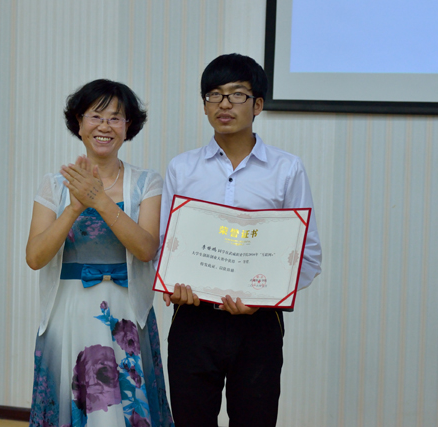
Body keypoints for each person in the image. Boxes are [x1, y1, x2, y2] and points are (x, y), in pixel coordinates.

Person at [159, 54, 322, 426]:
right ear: (204, 105)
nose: (224, 104)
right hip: (193, 319)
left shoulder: (286, 169)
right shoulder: (182, 168)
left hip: (258, 323)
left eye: (236, 94)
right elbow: (166, 244)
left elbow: (308, 254)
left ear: (258, 105)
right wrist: (172, 283)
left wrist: (264, 297)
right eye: (214, 95)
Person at [26, 79, 174, 427]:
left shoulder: (147, 183)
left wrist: (100, 201)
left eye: (115, 118)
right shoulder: (54, 184)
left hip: (127, 311)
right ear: (79, 123)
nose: (104, 126)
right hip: (70, 313)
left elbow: (146, 249)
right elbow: (35, 257)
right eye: (95, 116)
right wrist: (74, 208)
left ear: (128, 126)